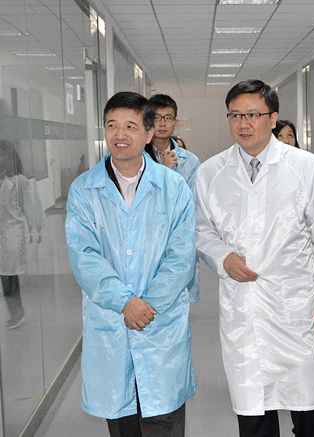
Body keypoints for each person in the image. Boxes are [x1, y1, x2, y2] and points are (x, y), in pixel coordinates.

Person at [195, 79, 314, 437]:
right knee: (253, 410)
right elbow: (201, 230)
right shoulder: (211, 172)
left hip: (297, 308)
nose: (243, 123)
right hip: (244, 307)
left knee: (307, 410)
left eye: (253, 115)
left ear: (273, 118)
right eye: (235, 115)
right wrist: (223, 257)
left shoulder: (306, 167)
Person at [65, 91, 196, 437]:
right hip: (112, 322)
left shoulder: (173, 187)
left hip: (159, 322)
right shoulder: (84, 189)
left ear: (149, 133)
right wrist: (125, 302)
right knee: (122, 422)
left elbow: (181, 256)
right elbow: (84, 256)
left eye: (130, 126)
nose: (120, 135)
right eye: (112, 126)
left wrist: (146, 306)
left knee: (164, 420)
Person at [147, 93, 201, 302]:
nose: (162, 123)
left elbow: (192, 204)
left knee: (177, 300)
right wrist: (163, 171)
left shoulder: (190, 161)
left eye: (168, 118)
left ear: (175, 122)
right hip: (147, 238)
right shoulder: (137, 158)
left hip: (178, 238)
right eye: (156, 117)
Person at [0, 139, 46, 329]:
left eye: (2, 154)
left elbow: (30, 206)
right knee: (4, 276)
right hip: (2, 234)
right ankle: (15, 312)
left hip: (13, 234)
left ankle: (17, 313)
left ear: (9, 157)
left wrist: (36, 229)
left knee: (9, 277)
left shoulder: (19, 181)